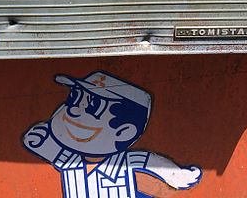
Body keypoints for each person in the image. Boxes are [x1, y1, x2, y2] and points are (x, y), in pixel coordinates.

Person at [23, 70, 202, 198]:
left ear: (124, 132)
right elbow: (55, 153)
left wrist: (178, 176)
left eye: (93, 107)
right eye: (74, 98)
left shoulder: (126, 165)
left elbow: (149, 161)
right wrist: (40, 142)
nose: (75, 110)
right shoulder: (71, 163)